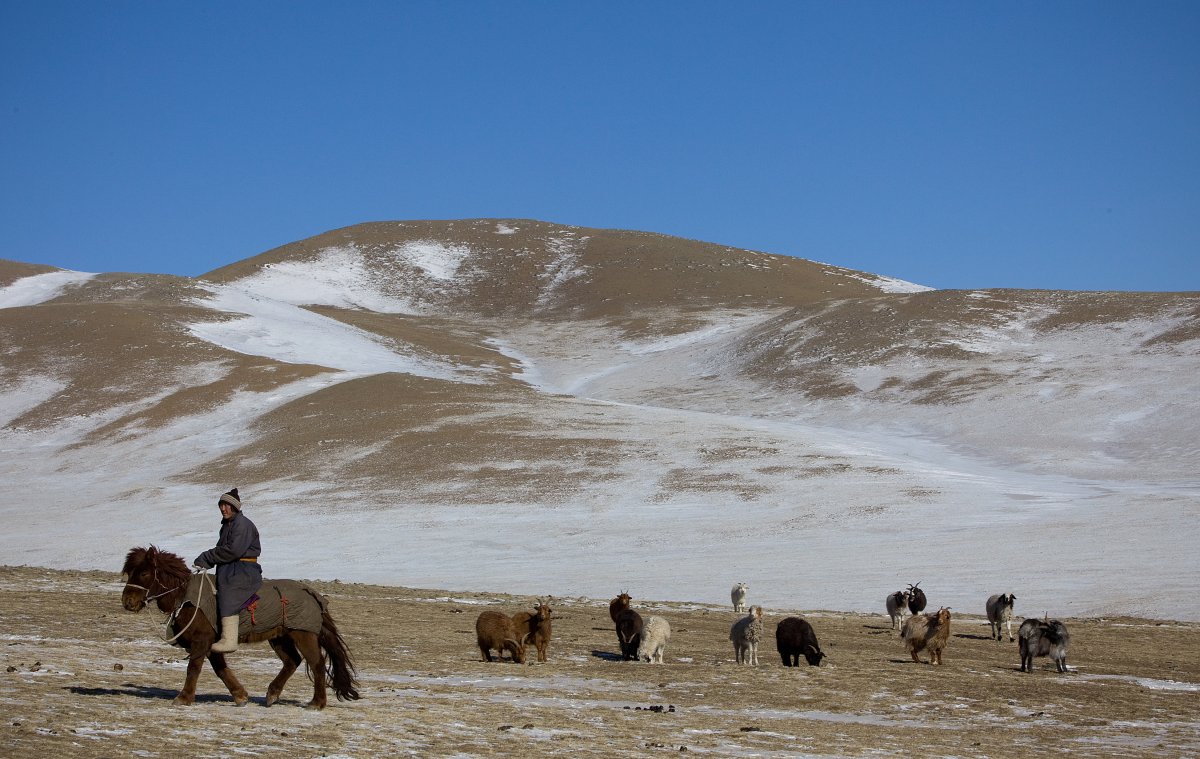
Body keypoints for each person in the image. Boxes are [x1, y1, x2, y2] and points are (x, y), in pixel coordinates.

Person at [193, 487, 262, 653]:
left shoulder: (242, 524)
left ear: (235, 507)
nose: (223, 509)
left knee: (228, 589)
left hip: (243, 570)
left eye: (226, 505)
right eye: (221, 505)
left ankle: (229, 640)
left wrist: (207, 557)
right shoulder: (228, 525)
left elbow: (233, 551)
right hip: (231, 567)